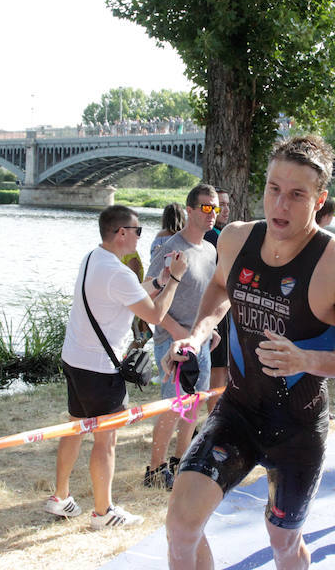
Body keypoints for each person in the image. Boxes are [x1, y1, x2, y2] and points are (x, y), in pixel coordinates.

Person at [164, 136, 335, 569]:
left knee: (283, 543)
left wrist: (307, 360)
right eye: (273, 189)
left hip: (297, 429)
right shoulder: (235, 238)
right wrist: (200, 332)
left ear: (320, 199)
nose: (280, 205)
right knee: (181, 525)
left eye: (297, 195)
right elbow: (217, 288)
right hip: (239, 411)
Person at [45, 205, 188, 529]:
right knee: (105, 440)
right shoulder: (118, 272)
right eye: (137, 230)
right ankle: (103, 511)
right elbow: (153, 314)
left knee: (76, 426)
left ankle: (60, 496)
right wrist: (176, 279)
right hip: (99, 367)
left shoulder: (94, 258)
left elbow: (132, 295)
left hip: (76, 359)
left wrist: (161, 280)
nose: (140, 236)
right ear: (122, 233)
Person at [144, 184, 219, 490]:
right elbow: (148, 293)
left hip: (198, 341)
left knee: (194, 405)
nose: (211, 214)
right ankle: (154, 469)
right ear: (189, 210)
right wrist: (178, 333)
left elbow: (209, 294)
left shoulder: (211, 249)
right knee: (171, 407)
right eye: (205, 208)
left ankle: (180, 462)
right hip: (171, 341)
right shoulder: (171, 248)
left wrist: (206, 331)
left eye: (214, 208)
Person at [204, 188, 232, 414]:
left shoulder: (219, 235)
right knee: (219, 368)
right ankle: (214, 418)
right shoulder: (214, 236)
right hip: (216, 310)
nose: (224, 209)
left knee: (221, 368)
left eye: (226, 205)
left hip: (221, 309)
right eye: (219, 204)